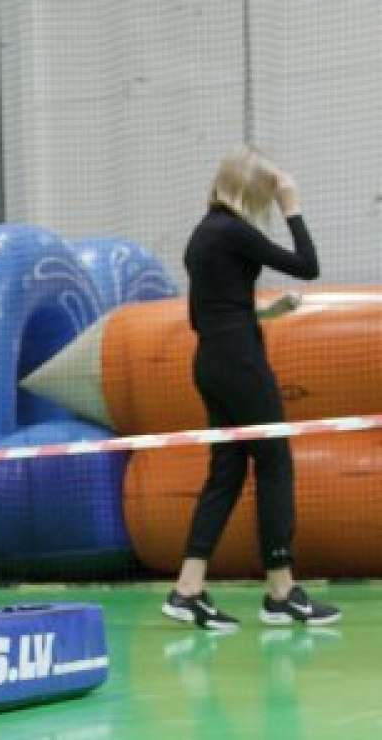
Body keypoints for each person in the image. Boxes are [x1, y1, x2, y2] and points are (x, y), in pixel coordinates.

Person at [162, 145, 340, 631]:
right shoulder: (234, 230)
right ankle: (281, 592)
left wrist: (265, 314)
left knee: (227, 471)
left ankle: (188, 588)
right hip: (240, 363)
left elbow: (211, 312)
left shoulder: (203, 235)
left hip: (212, 361)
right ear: (248, 189)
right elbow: (308, 265)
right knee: (275, 461)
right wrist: (291, 204)